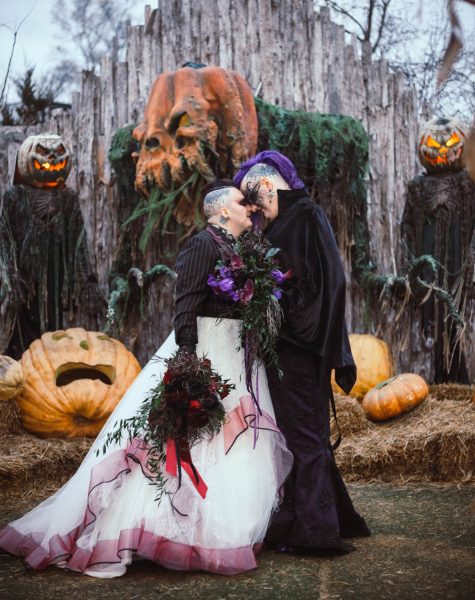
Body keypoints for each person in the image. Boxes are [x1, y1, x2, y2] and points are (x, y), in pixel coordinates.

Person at [0, 180, 292, 577]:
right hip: (205, 351)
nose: (250, 208)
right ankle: (140, 527)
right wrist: (188, 364)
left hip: (235, 354)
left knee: (228, 443)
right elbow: (184, 304)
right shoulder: (202, 245)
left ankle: (217, 530)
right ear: (223, 210)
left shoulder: (240, 249)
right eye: (242, 202)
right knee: (182, 437)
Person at [234, 152, 370, 553]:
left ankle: (317, 532)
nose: (255, 209)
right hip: (286, 347)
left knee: (305, 435)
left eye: (255, 199)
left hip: (299, 347)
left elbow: (328, 279)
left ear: (268, 186)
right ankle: (307, 518)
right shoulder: (283, 223)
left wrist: (287, 314)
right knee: (299, 435)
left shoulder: (306, 214)